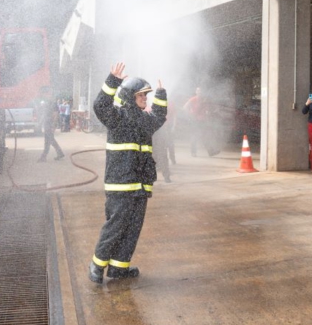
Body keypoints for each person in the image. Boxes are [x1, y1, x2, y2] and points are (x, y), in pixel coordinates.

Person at [88, 62, 167, 284]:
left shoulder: (145, 120)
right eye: (142, 95)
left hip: (140, 186)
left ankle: (118, 268)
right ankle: (97, 264)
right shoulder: (117, 117)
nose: (146, 99)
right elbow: (100, 105)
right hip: (121, 185)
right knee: (115, 227)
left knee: (132, 230)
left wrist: (161, 94)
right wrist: (112, 80)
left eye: (147, 95)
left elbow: (159, 117)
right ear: (131, 96)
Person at [183, 87, 219, 157]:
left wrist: (208, 114)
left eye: (201, 91)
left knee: (204, 136)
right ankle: (194, 152)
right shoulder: (193, 99)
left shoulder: (204, 100)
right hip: (195, 121)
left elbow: (206, 110)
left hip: (202, 121)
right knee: (194, 136)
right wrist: (190, 115)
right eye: (198, 91)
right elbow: (185, 107)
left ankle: (210, 151)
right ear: (196, 92)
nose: (200, 92)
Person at [37, 86, 65, 162]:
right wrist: (40, 123)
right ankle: (59, 153)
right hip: (47, 124)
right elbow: (44, 114)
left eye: (44, 93)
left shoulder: (53, 103)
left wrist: (53, 126)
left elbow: (55, 115)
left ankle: (44, 157)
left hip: (49, 124)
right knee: (49, 140)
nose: (43, 95)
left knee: (49, 140)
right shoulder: (46, 103)